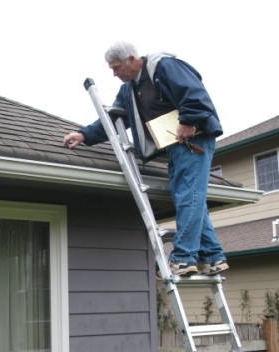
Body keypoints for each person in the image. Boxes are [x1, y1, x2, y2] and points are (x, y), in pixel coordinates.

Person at [63, 41, 229, 276]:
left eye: (117, 67)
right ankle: (213, 256)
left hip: (194, 139)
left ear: (132, 59)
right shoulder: (129, 89)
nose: (114, 73)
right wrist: (84, 134)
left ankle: (184, 257)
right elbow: (114, 118)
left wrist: (188, 121)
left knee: (187, 197)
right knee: (191, 197)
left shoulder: (163, 67)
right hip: (175, 145)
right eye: (112, 69)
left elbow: (194, 92)